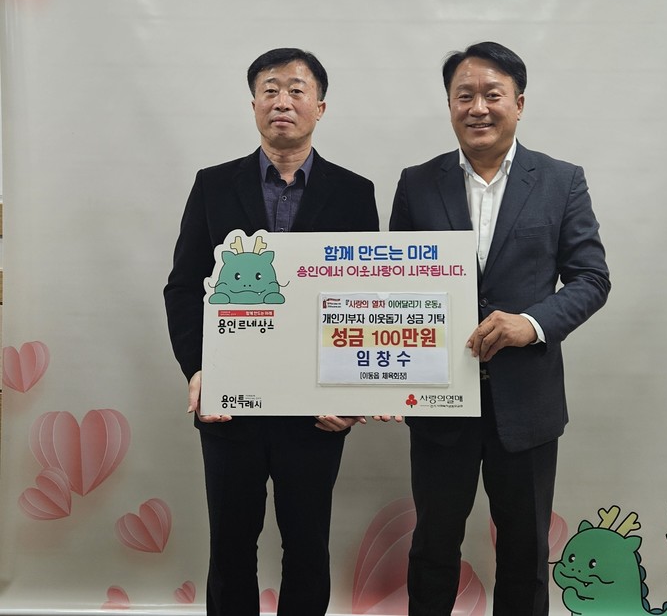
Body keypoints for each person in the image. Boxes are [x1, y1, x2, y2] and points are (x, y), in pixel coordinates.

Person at [389, 41, 610, 616]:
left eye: (493, 94)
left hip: (527, 402)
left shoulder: (561, 180)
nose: (478, 107)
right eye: (464, 96)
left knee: (525, 550)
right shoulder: (417, 183)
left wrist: (531, 323)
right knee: (433, 546)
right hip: (439, 400)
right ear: (449, 105)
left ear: (519, 103)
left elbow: (591, 278)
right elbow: (394, 289)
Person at [164, 47, 379, 616]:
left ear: (320, 107)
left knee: (307, 546)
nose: (283, 100)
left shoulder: (354, 192)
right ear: (254, 104)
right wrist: (199, 370)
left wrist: (352, 393)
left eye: (297, 90)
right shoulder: (213, 185)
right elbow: (184, 288)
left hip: (315, 407)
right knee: (230, 547)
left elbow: (365, 300)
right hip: (230, 401)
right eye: (270, 89)